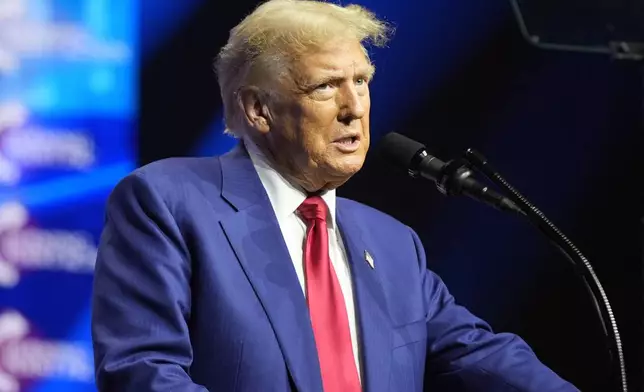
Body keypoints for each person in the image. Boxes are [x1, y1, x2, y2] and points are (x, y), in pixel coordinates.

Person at [91, 0, 580, 391]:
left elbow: (477, 354)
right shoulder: (168, 203)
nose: (354, 108)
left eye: (362, 82)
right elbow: (141, 372)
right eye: (326, 86)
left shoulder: (393, 244)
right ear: (259, 108)